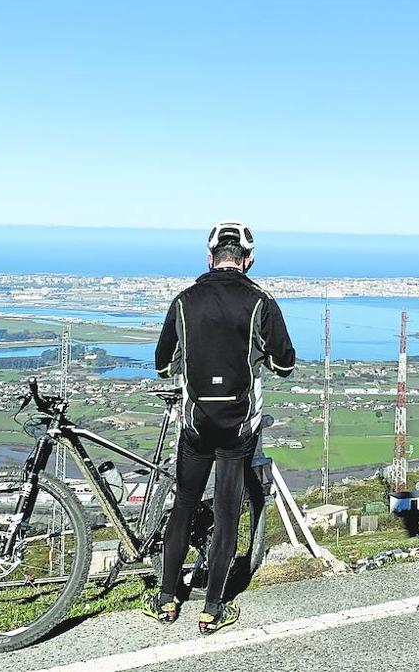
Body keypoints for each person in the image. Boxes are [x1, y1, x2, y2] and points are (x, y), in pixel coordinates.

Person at [144, 220, 295, 634]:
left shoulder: (183, 301)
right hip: (238, 425)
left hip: (196, 424)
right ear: (248, 260)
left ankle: (166, 599)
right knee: (227, 512)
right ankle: (212, 607)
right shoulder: (262, 301)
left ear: (210, 258)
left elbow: (161, 363)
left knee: (184, 504)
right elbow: (285, 363)